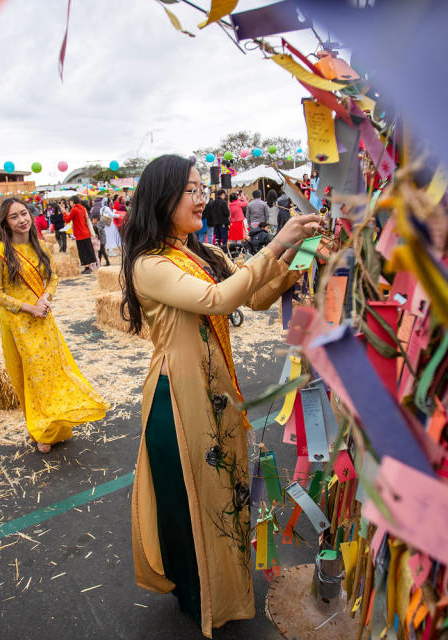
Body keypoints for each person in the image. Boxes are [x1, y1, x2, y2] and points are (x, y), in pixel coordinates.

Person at [120, 155, 321, 637]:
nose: (201, 196)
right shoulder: (148, 264)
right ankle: (200, 598)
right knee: (193, 500)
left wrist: (303, 253)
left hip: (217, 393)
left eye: (200, 187)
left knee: (224, 492)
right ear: (162, 197)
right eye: (190, 189)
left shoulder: (198, 253)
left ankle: (226, 591)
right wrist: (279, 240)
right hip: (180, 399)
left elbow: (254, 295)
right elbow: (217, 300)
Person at [0, 199, 106, 453]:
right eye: (14, 217)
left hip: (44, 319)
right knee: (30, 375)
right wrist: (29, 307)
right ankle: (41, 428)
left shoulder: (41, 246)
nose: (22, 220)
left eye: (24, 214)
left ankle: (58, 427)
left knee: (52, 371)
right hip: (18, 323)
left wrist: (45, 298)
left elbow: (52, 277)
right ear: (5, 223)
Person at [64, 196, 98, 273]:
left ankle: (87, 267)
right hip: (86, 232)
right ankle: (89, 266)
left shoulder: (74, 209)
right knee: (88, 249)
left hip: (80, 233)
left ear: (73, 201)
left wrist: (63, 212)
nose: (69, 203)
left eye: (70, 202)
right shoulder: (83, 208)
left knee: (82, 251)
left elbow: (67, 219)